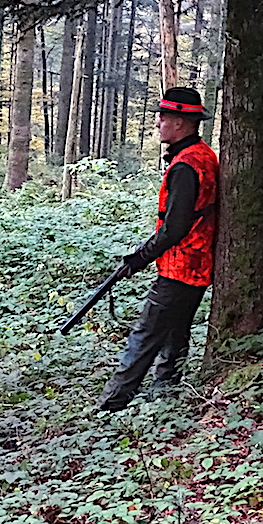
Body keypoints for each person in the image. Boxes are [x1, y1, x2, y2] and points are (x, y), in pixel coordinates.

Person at [96, 86, 218, 412]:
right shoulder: (202, 156)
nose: (158, 123)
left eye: (163, 117)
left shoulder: (185, 167)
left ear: (180, 123)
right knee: (175, 335)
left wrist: (138, 258)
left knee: (145, 335)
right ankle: (165, 395)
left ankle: (111, 404)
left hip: (181, 266)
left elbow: (174, 228)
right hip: (197, 264)